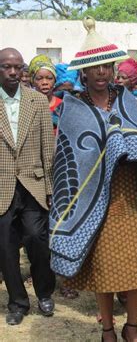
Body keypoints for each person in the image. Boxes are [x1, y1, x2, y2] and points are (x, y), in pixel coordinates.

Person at [48, 17, 137, 342]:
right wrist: (105, 149)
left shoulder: (128, 100)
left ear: (112, 68)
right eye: (93, 68)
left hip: (132, 197)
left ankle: (132, 326)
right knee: (104, 270)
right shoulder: (73, 107)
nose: (100, 73)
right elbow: (69, 157)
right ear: (83, 72)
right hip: (94, 202)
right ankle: (108, 328)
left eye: (105, 67)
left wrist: (127, 145)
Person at [0, 47, 56, 325]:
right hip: (2, 186)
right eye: (6, 67)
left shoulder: (37, 101)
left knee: (37, 240)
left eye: (17, 67)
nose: (12, 72)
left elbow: (48, 145)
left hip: (33, 184)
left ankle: (45, 292)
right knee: (6, 247)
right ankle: (17, 302)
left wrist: (50, 187)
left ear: (23, 70)